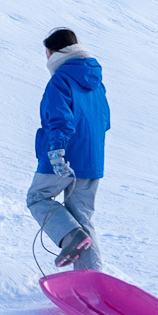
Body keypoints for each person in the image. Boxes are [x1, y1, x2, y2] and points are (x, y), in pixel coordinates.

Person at [28, 26, 110, 270]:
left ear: (54, 52)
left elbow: (60, 120)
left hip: (64, 156)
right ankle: (90, 277)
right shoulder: (97, 84)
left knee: (38, 198)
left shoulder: (60, 80)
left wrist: (56, 152)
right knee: (82, 218)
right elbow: (104, 121)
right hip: (92, 160)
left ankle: (69, 236)